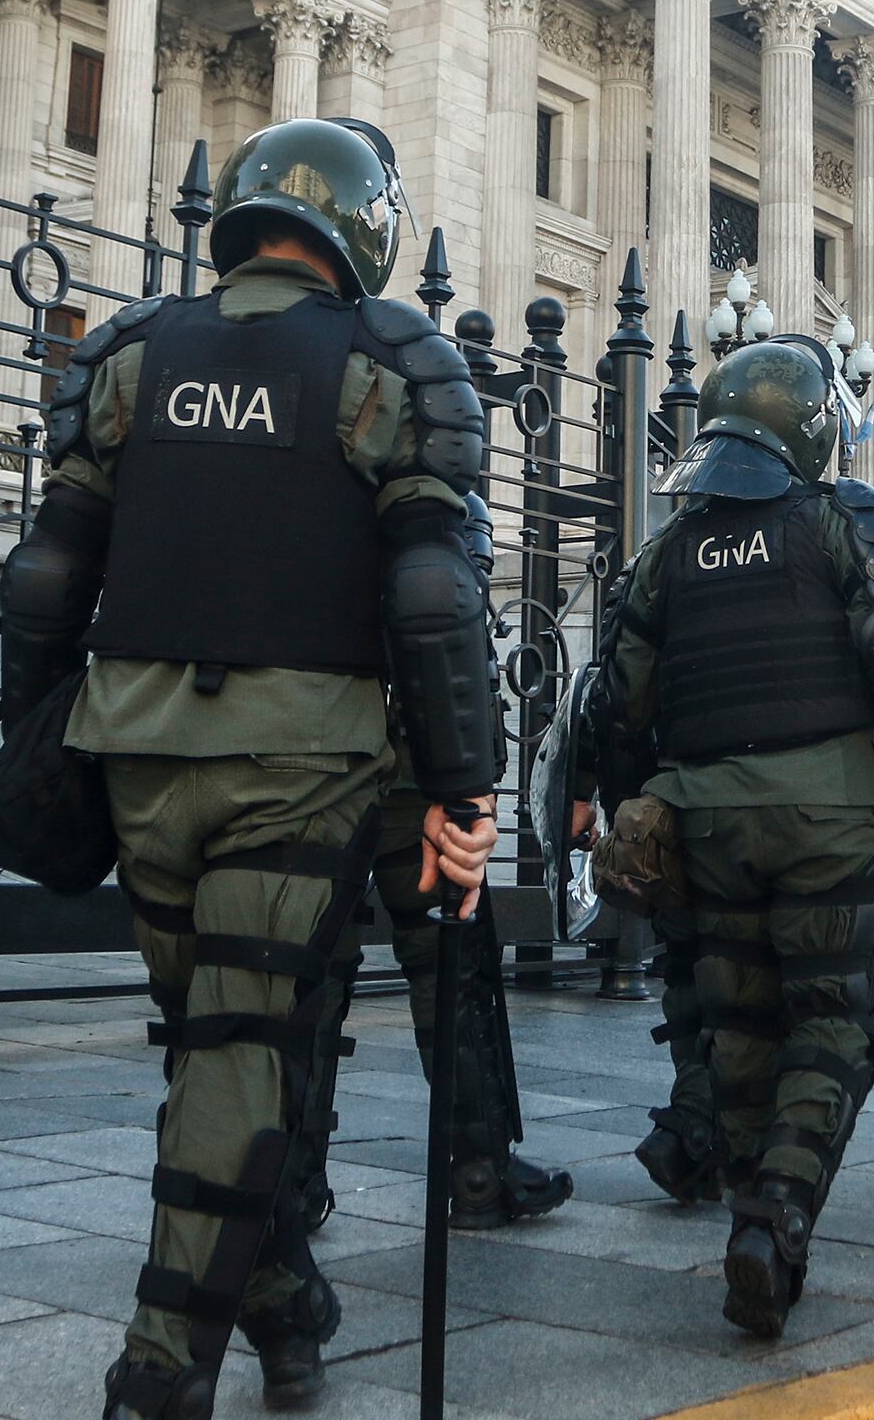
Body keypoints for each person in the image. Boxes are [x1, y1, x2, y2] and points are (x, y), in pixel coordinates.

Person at [0, 118, 504, 1416]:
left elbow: (47, 572)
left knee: (216, 1039)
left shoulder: (128, 352)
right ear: (367, 225)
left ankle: (283, 1300)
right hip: (303, 754)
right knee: (239, 1046)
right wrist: (464, 785)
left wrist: (36, 737)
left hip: (139, 744)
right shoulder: (394, 358)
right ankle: (160, 1367)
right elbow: (435, 591)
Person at [579, 336, 874, 1335]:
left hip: (705, 817)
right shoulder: (842, 518)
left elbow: (615, 700)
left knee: (741, 1027)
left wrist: (625, 811)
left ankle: (755, 1216)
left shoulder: (669, 549)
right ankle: (775, 1211)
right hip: (825, 811)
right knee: (836, 1019)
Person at [293, 491, 576, 1241]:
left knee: (306, 978)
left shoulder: (320, 523)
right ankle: (478, 1172)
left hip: (321, 775)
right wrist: (469, 788)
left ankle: (288, 1181)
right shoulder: (436, 533)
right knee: (455, 976)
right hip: (422, 792)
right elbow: (463, 674)